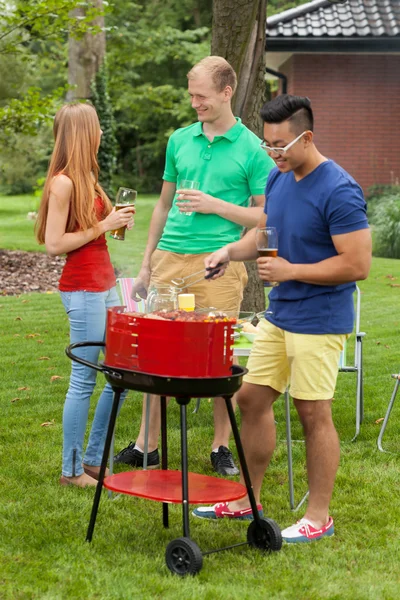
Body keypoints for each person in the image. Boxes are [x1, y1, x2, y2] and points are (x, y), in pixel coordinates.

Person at [192, 94, 372, 542]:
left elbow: (358, 264)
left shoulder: (340, 189)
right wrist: (229, 251)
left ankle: (318, 516)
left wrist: (292, 270)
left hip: (321, 316)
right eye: (268, 145)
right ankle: (245, 499)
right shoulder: (278, 177)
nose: (273, 154)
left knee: (312, 412)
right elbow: (265, 231)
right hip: (281, 313)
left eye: (280, 145)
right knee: (250, 400)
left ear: (306, 137)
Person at [114, 56, 275, 476]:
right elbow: (163, 205)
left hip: (219, 263)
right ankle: (147, 444)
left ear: (226, 92)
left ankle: (220, 445)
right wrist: (149, 263)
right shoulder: (179, 140)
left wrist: (215, 205)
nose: (194, 104)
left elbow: (266, 218)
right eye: (191, 95)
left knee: (217, 355)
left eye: (201, 96)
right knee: (155, 351)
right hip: (170, 257)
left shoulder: (254, 149)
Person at [35, 103, 135, 488]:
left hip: (105, 285)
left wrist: (115, 224)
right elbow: (55, 244)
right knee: (84, 380)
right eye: (98, 128)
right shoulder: (63, 182)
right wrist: (104, 224)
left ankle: (94, 460)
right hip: (82, 289)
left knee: (122, 374)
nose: (103, 134)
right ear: (82, 133)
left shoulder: (89, 177)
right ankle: (71, 470)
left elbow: (98, 230)